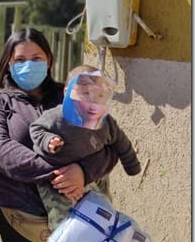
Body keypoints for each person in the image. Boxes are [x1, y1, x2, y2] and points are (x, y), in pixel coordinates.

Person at [0, 28, 119, 242]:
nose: (28, 65)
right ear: (8, 63)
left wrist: (82, 171)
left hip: (79, 214)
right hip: (22, 218)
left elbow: (110, 145)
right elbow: (1, 150)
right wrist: (61, 172)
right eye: (20, 59)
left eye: (36, 57)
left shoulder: (72, 93)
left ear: (49, 60)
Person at [30, 65, 141, 230]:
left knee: (102, 215)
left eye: (99, 95)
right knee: (64, 225)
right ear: (67, 92)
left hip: (97, 177)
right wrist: (48, 140)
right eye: (86, 93)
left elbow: (121, 142)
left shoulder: (105, 122)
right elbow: (36, 129)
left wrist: (132, 165)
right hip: (60, 182)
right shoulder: (55, 117)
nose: (92, 100)